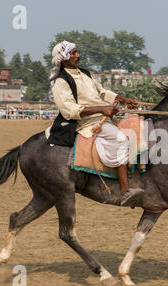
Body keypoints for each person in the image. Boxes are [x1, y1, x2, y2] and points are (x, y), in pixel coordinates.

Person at [47, 40, 143, 206]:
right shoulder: (60, 81)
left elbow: (103, 92)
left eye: (77, 52)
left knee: (138, 125)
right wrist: (102, 109)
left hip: (103, 117)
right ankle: (125, 191)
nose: (78, 55)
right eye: (73, 53)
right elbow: (69, 110)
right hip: (86, 123)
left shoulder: (84, 73)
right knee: (120, 139)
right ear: (64, 59)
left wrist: (124, 100)